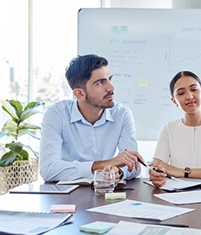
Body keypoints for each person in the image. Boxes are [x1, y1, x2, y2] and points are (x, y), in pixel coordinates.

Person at [39, 54, 145, 183]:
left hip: (107, 191)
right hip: (67, 196)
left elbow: (134, 164)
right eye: (100, 83)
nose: (111, 88)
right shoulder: (56, 114)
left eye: (110, 79)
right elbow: (48, 169)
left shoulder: (122, 114)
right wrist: (103, 165)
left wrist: (119, 172)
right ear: (80, 93)